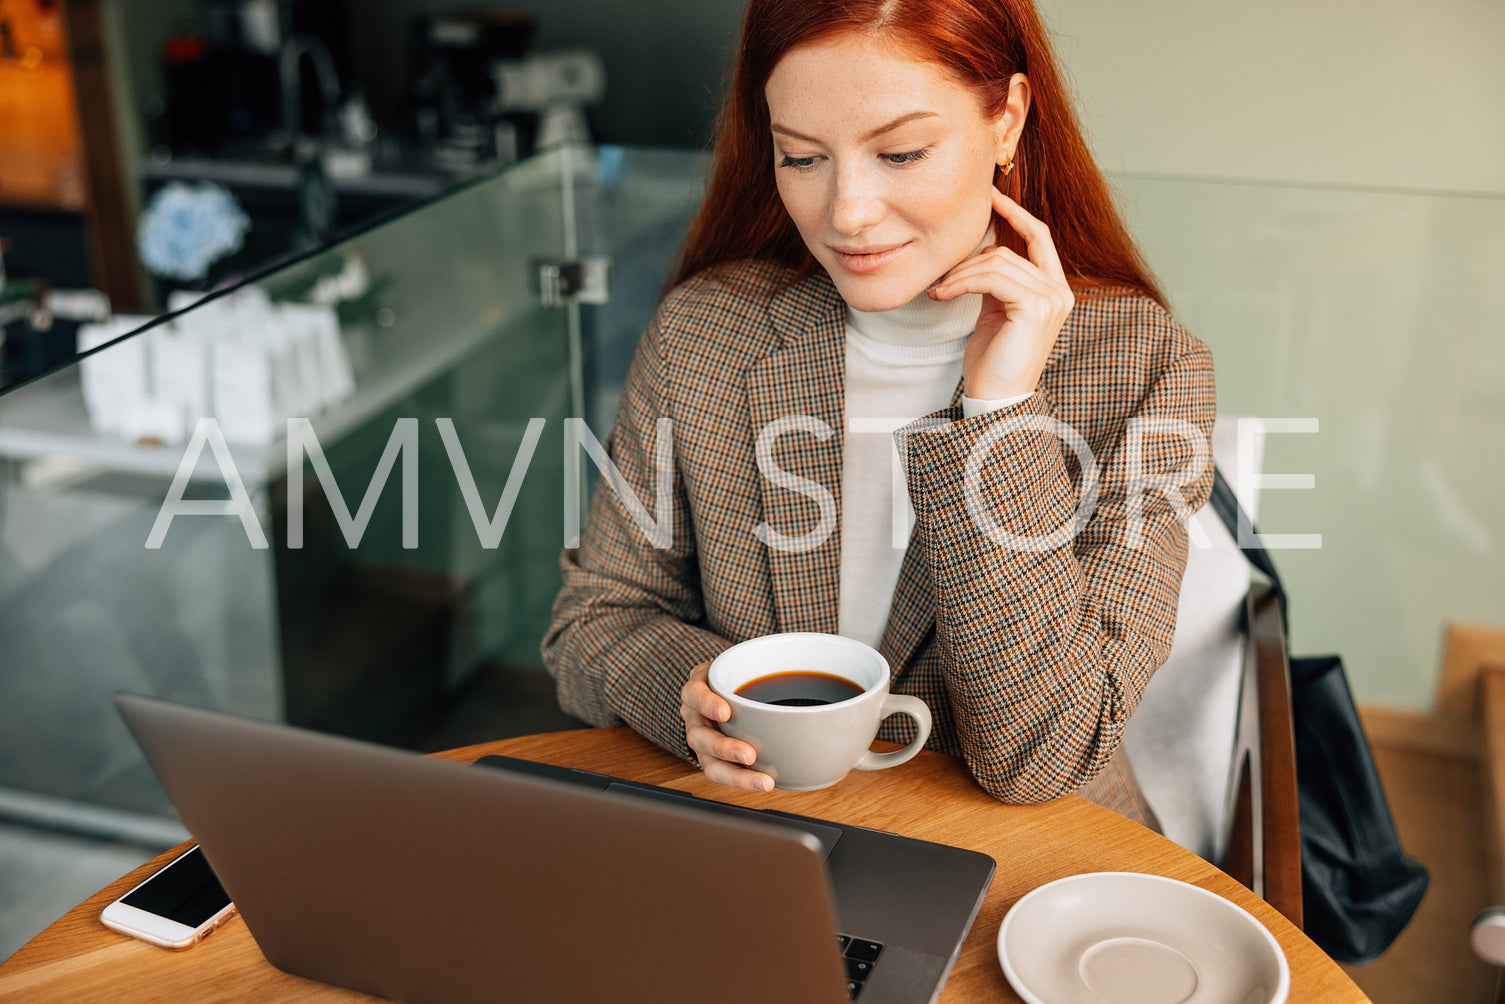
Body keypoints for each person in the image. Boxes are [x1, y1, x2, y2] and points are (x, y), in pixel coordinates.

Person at [541, 0, 1215, 828]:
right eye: (801, 157)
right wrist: (693, 697)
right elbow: (592, 624)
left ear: (1006, 119)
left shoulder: (1146, 368)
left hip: (1030, 857)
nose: (847, 212)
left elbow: (1042, 753)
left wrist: (998, 414)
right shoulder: (705, 334)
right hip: (765, 833)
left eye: (900, 153)